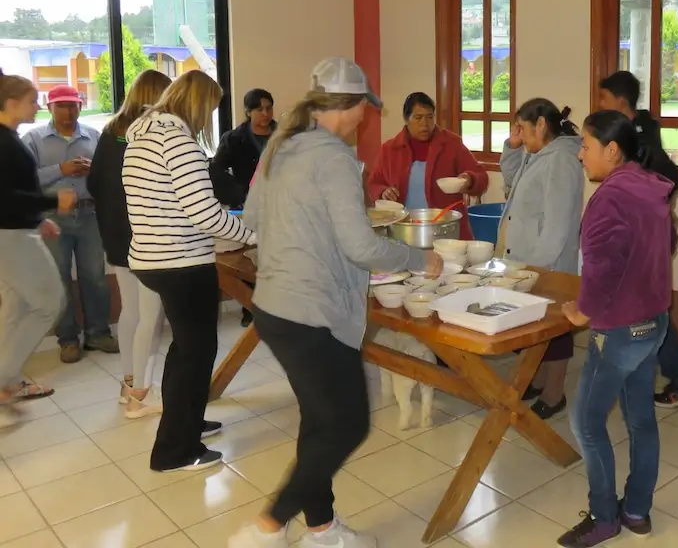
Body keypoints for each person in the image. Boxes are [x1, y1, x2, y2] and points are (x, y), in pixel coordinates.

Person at [230, 58, 442, 548]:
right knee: (348, 425)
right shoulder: (335, 159)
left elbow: (255, 215)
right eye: (364, 109)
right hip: (313, 312)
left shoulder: (282, 147)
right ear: (348, 106)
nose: (365, 119)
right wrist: (418, 257)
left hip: (276, 307)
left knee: (320, 421)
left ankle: (322, 530)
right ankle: (267, 528)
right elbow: (362, 247)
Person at [123, 70, 255, 472]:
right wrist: (249, 233)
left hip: (149, 257)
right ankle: (175, 451)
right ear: (198, 105)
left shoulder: (141, 136)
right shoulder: (178, 142)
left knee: (184, 350)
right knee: (195, 354)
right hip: (181, 262)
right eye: (211, 109)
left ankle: (188, 422)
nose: (209, 119)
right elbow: (202, 213)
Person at [557, 110, 675, 547]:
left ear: (612, 149)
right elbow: (657, 252)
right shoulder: (649, 186)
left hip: (622, 330)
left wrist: (582, 313)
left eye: (585, 146)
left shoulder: (609, 198)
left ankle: (604, 516)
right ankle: (637, 511)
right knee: (641, 419)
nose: (580, 155)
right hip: (654, 321)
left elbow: (603, 270)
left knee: (586, 421)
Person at [598, 70, 678, 406]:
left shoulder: (641, 136)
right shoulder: (637, 130)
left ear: (621, 101)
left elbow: (665, 178)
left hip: (645, 234)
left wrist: (660, 214)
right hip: (641, 231)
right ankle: (675, 377)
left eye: (604, 98)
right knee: (647, 305)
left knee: (649, 307)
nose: (600, 103)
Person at [87, 69, 172, 419]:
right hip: (146, 238)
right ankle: (142, 393)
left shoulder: (111, 131)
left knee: (131, 313)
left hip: (116, 237)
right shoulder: (151, 133)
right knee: (150, 318)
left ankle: (128, 384)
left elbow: (93, 183)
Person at [498, 99, 583, 419]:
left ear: (542, 125)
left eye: (523, 127)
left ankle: (554, 393)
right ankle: (538, 380)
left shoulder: (560, 161)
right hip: (525, 261)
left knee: (554, 330)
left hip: (547, 262)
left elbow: (558, 224)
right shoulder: (536, 155)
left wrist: (538, 268)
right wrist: (513, 144)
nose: (520, 133)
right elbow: (510, 179)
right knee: (533, 325)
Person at [23, 84, 118, 363]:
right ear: (49, 108)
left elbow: (109, 175)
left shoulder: (93, 136)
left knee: (95, 277)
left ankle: (98, 333)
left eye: (73, 105)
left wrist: (95, 170)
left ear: (80, 105)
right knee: (59, 279)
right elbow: (24, 182)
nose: (68, 112)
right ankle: (67, 339)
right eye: (61, 106)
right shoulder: (33, 139)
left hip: (90, 215)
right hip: (53, 218)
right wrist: (60, 170)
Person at [0, 74, 77, 410]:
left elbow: (15, 193)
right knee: (49, 303)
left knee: (15, 308)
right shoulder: (3, 141)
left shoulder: (9, 138)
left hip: (17, 229)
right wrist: (51, 203)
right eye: (32, 100)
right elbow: (4, 198)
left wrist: (38, 218)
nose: (36, 106)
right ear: (12, 102)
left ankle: (10, 382)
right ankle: (4, 377)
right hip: (10, 237)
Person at [367, 92, 488, 239]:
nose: (425, 124)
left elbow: (481, 177)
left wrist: (469, 179)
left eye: (430, 117)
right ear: (406, 119)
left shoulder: (451, 144)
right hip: (405, 230)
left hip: (445, 230)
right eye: (418, 118)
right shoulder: (390, 149)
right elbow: (374, 183)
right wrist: (383, 192)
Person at [214, 88, 276, 327]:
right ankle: (250, 308)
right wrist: (239, 192)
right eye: (260, 109)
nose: (265, 113)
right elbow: (216, 171)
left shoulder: (284, 135)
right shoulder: (234, 139)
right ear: (248, 111)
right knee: (249, 259)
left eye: (269, 108)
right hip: (247, 206)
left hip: (280, 206)